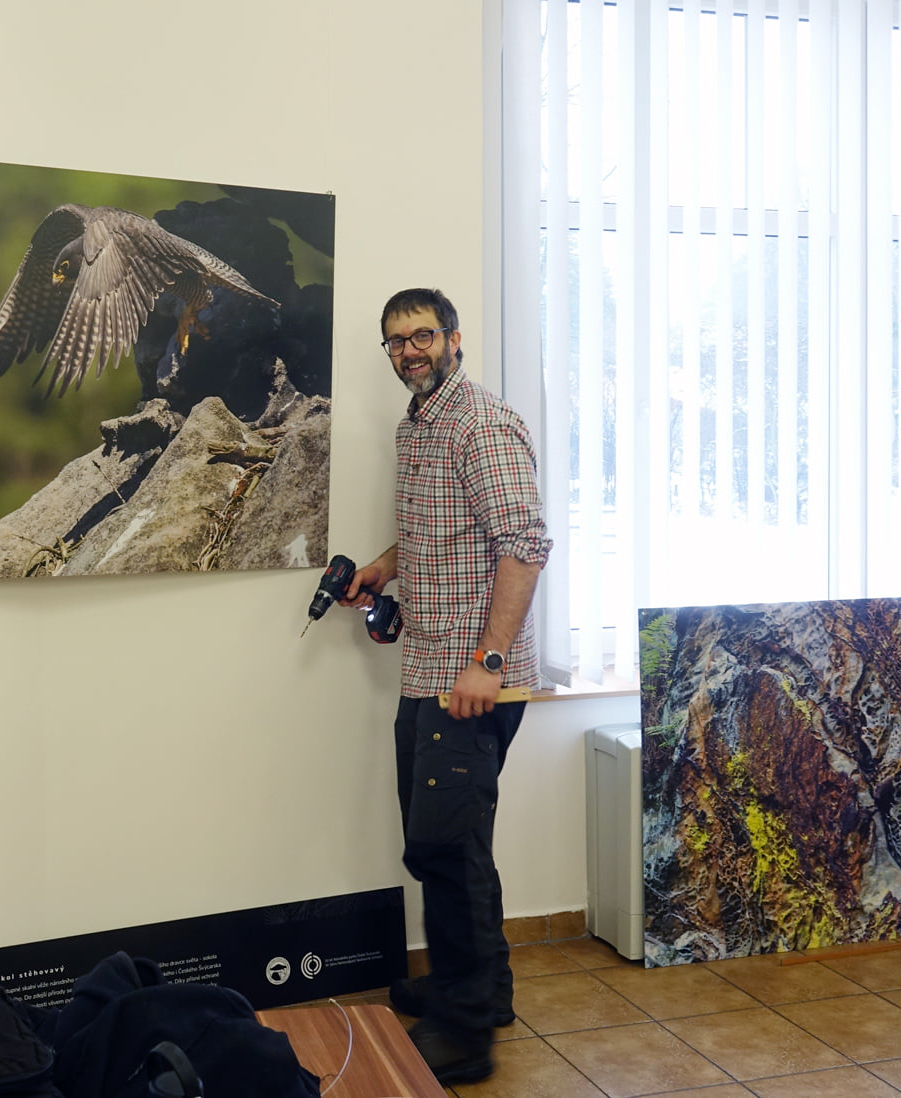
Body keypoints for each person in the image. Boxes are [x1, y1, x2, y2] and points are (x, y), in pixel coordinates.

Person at [340, 287, 551, 1083]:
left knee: (447, 847)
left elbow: (525, 543)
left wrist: (487, 665)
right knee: (451, 846)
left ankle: (464, 1034)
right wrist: (381, 568)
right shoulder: (421, 422)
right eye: (395, 341)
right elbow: (438, 524)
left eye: (422, 336)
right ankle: (483, 989)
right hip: (427, 667)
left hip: (470, 680)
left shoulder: (481, 423)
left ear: (454, 339)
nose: (409, 351)